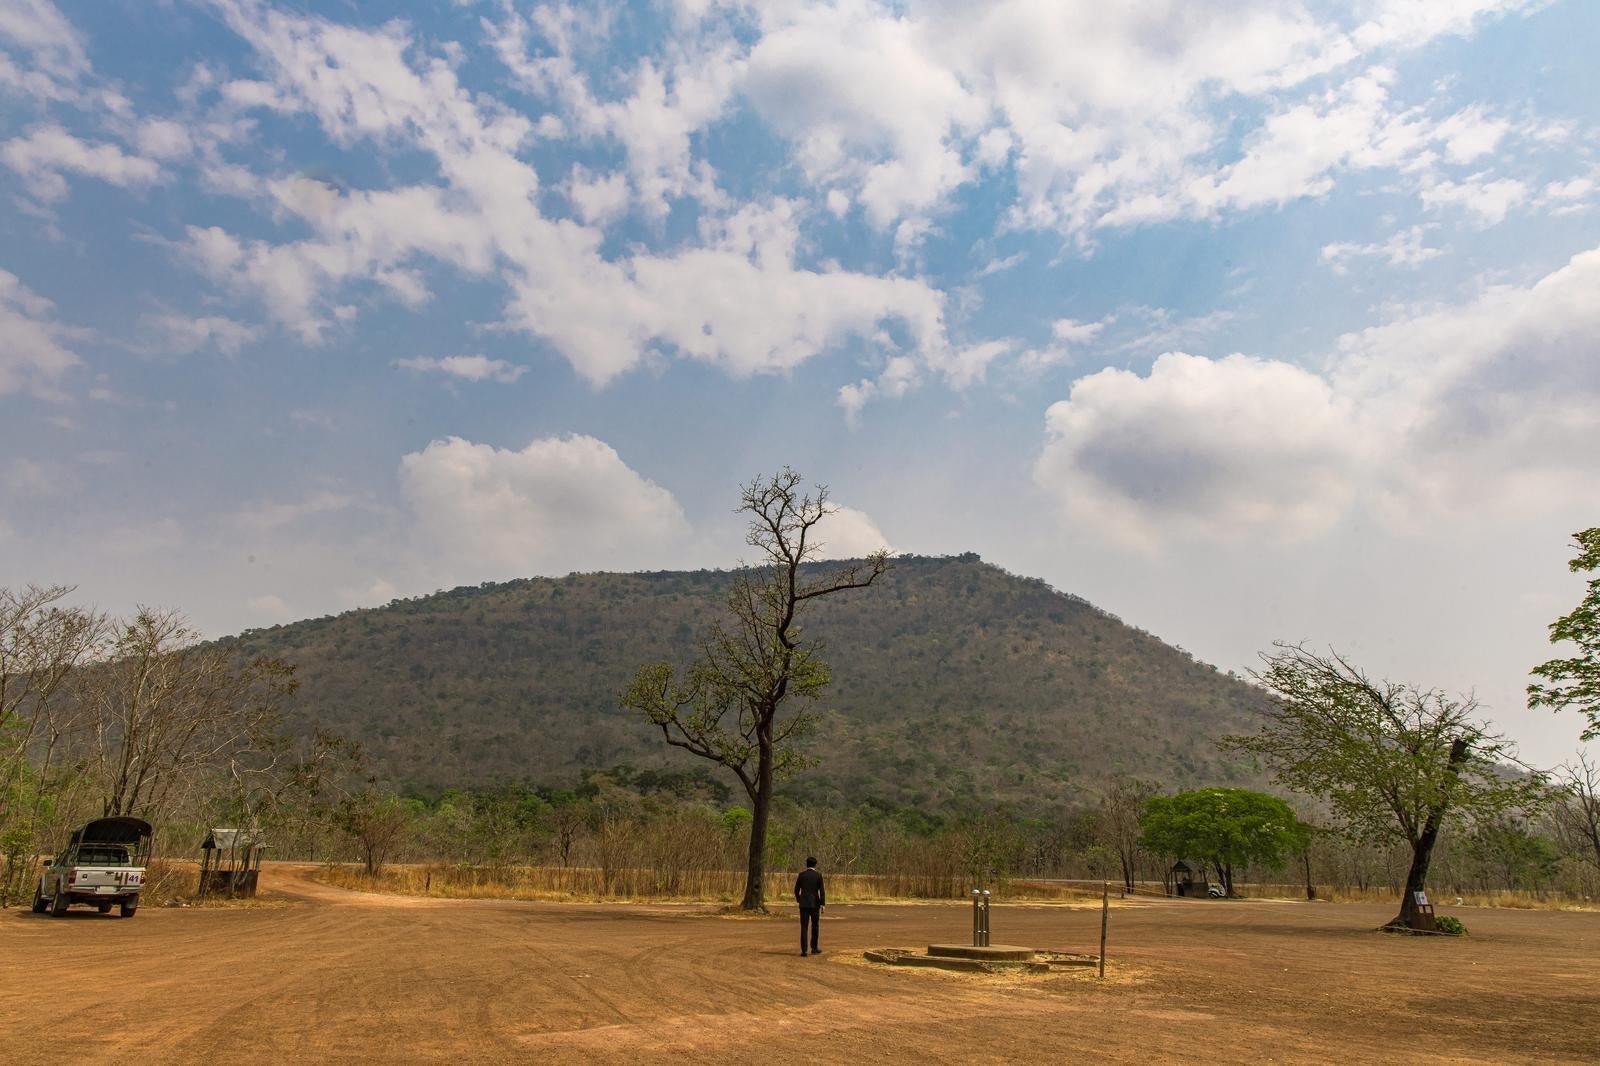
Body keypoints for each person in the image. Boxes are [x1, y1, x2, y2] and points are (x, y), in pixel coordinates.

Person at [794, 856, 825, 956]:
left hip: (803, 905)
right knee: (815, 926)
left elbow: (796, 890)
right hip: (815, 904)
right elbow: (822, 891)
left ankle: (804, 950)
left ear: (806, 864)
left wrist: (799, 900)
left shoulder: (801, 875)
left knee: (804, 927)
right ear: (815, 865)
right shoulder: (818, 875)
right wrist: (822, 904)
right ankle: (814, 947)